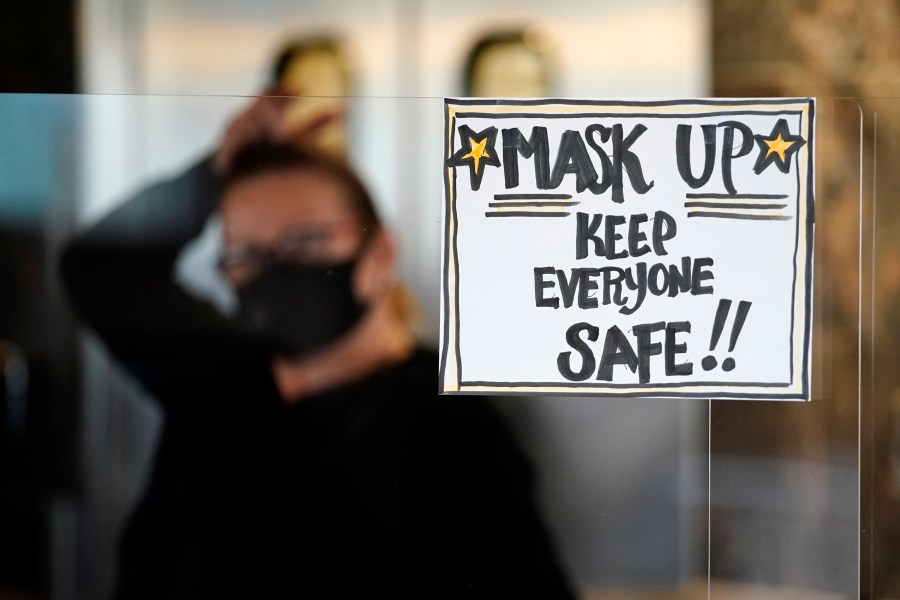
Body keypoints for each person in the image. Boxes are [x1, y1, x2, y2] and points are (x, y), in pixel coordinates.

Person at [60, 93, 575, 598]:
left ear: (380, 253)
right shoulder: (224, 380)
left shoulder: (451, 431)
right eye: (245, 253)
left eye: (305, 240)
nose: (273, 268)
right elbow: (99, 269)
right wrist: (212, 170)